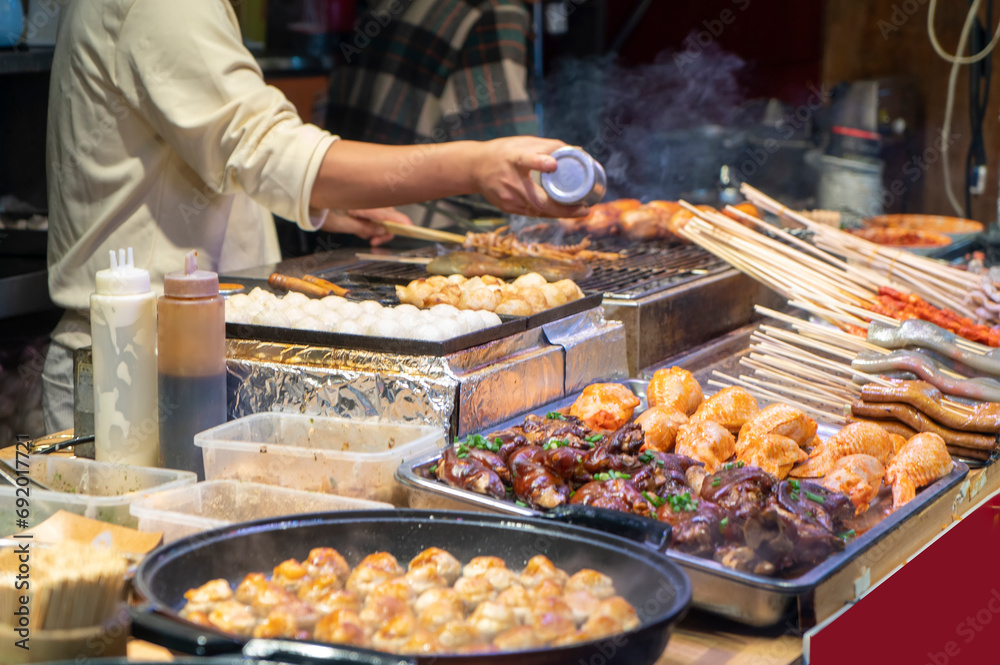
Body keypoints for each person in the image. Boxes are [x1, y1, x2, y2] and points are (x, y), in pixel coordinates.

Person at [42, 0, 583, 434]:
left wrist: (323, 200)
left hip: (182, 352)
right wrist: (475, 163)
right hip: (139, 369)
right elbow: (262, 146)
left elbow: (213, 152)